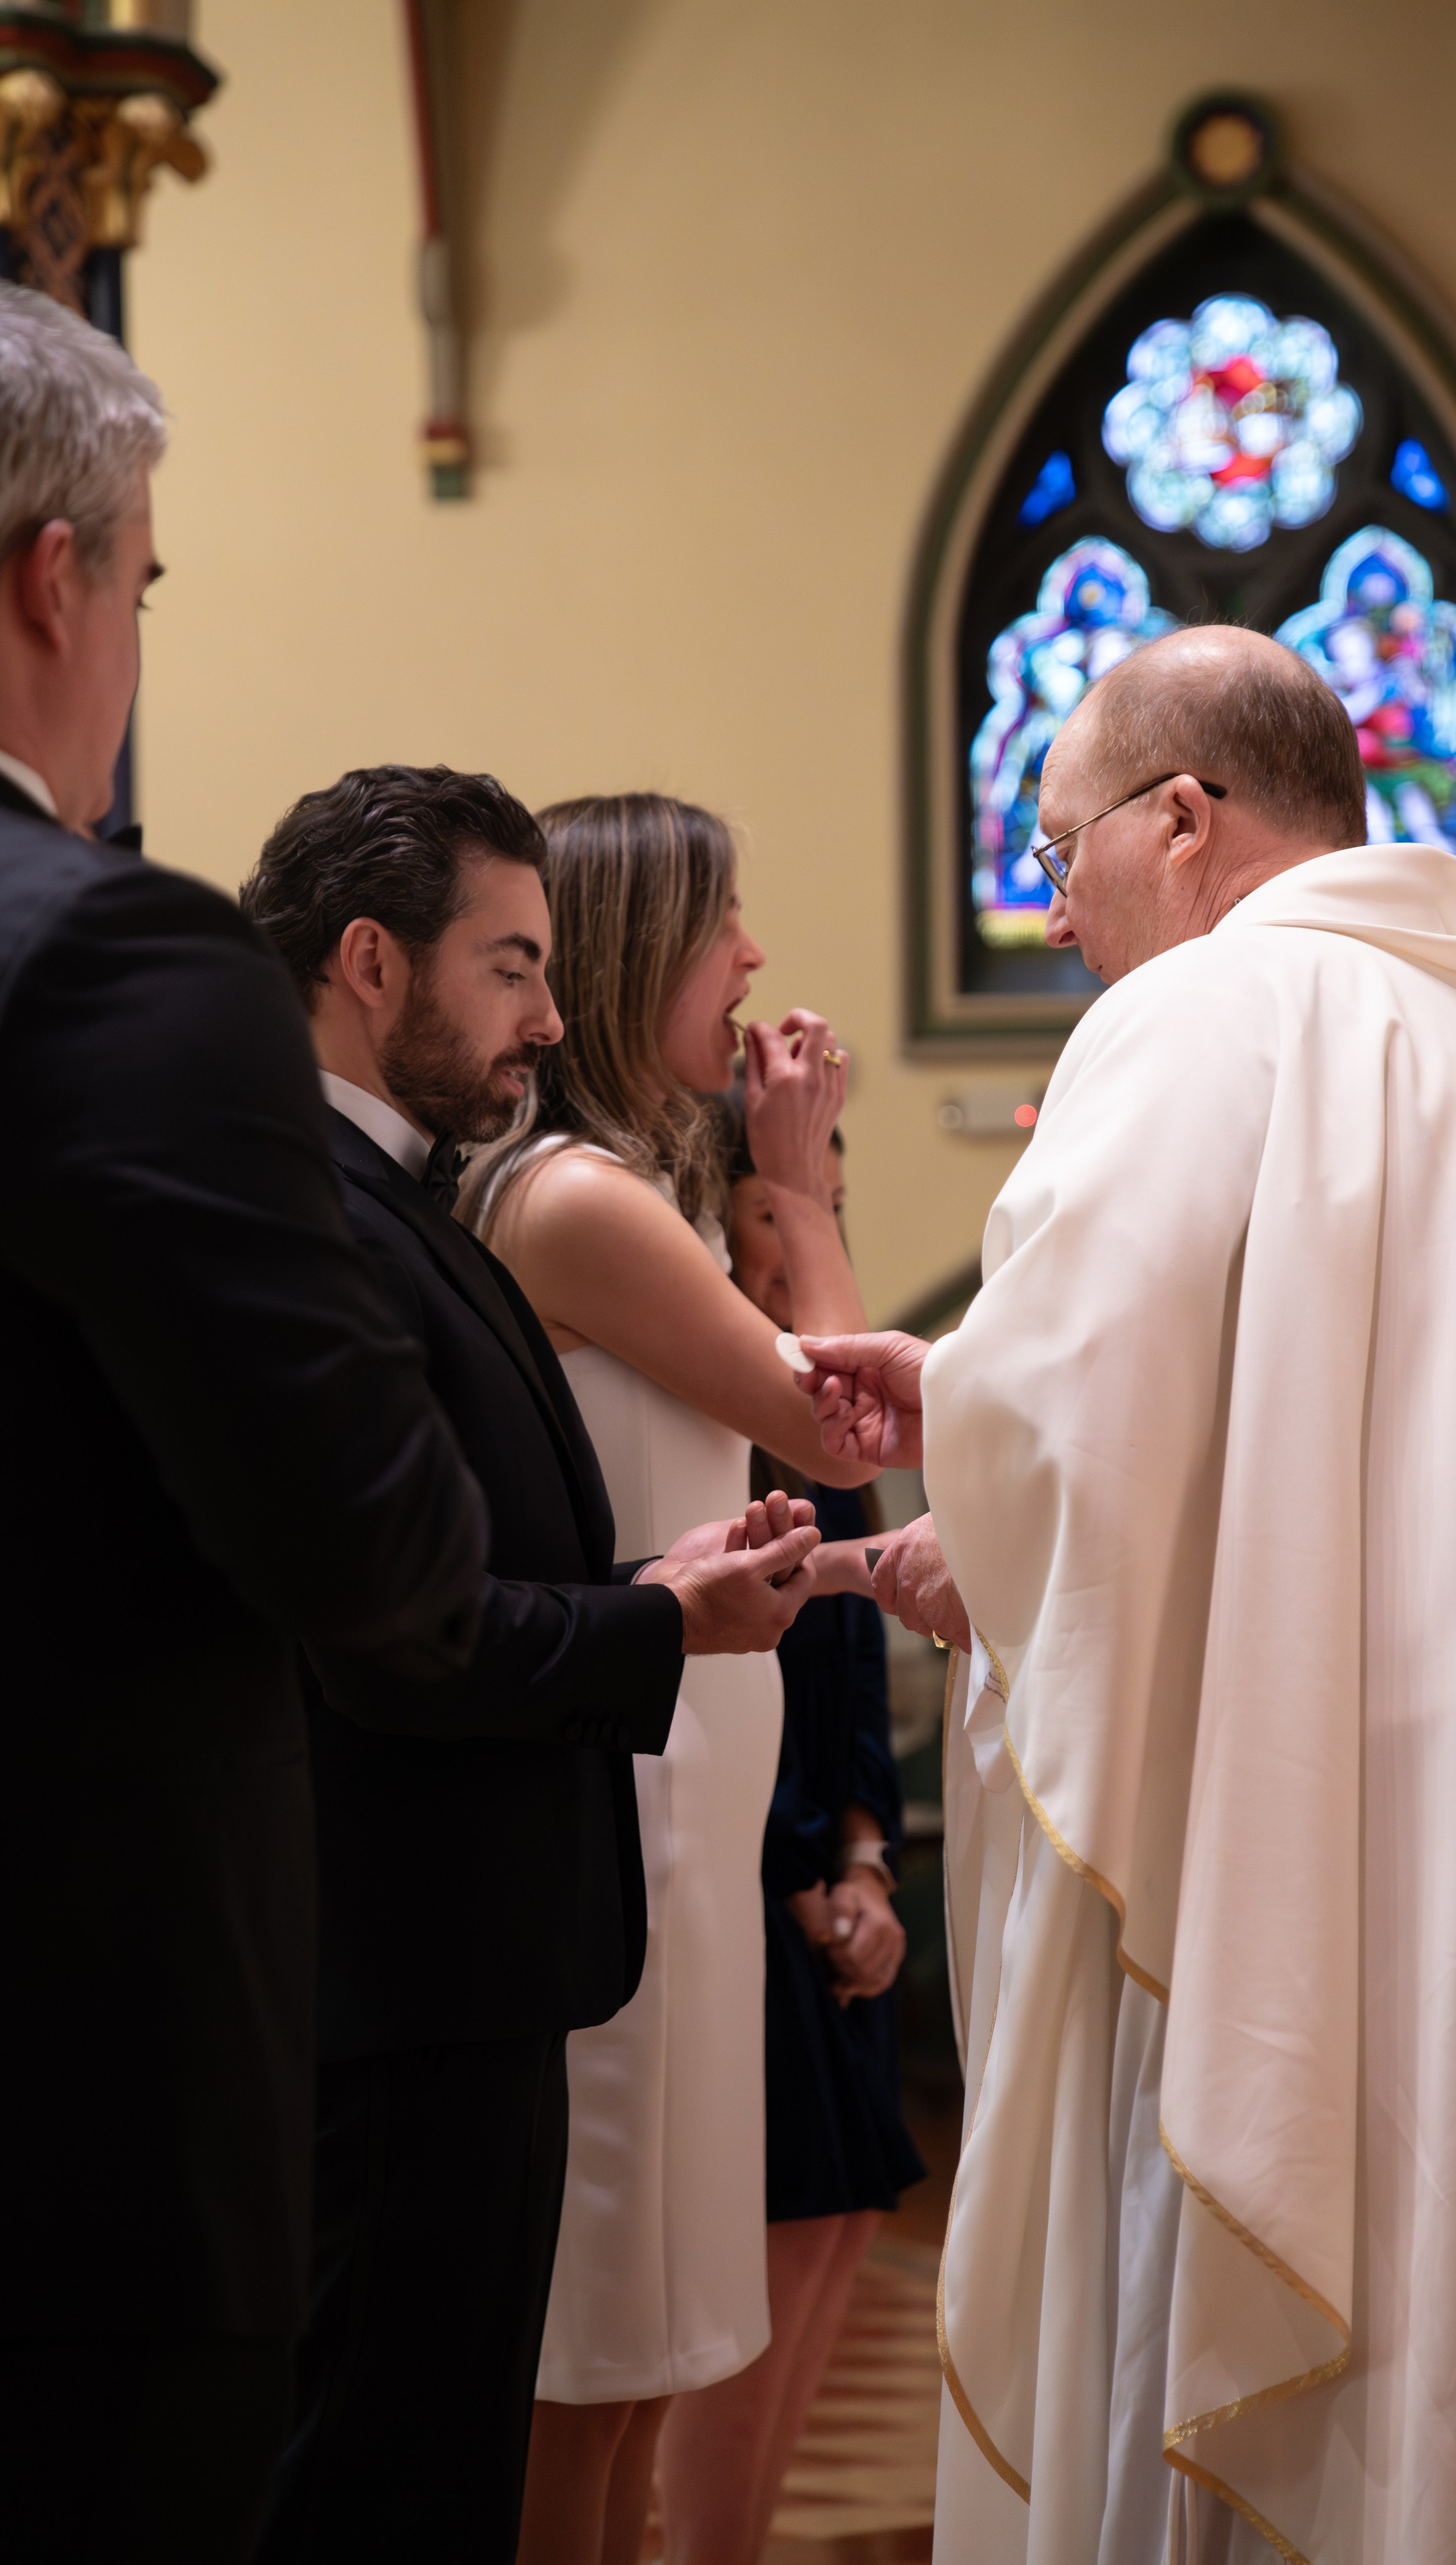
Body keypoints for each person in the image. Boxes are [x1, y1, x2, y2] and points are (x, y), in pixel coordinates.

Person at [798, 627, 1456, 2560]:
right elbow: (1339, 1400)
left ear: (1184, 820)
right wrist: (987, 1407)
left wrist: (985, 1485)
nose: (1055, 911)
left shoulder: (1213, 1004)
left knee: (1298, 2305)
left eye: (1057, 851)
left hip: (1350, 1789)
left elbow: (1088, 1414)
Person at [0, 278, 492, 2564]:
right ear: (56, 576)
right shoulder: (100, 952)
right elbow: (377, 1544)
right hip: (57, 2096)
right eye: (144, 586)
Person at [240, 768, 819, 2565]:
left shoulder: (408, 1191)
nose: (547, 1017)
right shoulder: (331, 1207)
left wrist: (658, 1576)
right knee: (415, 2454)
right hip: (427, 1934)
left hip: (517, 1908)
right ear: (365, 963)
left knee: (493, 2410)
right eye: (507, 966)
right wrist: (660, 1619)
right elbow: (397, 1629)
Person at [458, 791, 876, 2565]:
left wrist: (779, 1203)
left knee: (660, 2335)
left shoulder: (646, 1199)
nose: (758, 959)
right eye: (728, 924)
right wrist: (797, 1178)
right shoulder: (579, 1198)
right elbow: (843, 1418)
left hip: (694, 1778)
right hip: (628, 1798)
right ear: (643, 957)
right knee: (603, 2329)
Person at [650, 1101, 925, 2564]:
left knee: (836, 2226)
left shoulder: (820, 1378)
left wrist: (868, 1860)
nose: (800, 1219)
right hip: (754, 1872)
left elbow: (855, 1660)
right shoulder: (703, 1377)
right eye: (778, 1201)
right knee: (770, 2236)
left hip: (830, 1867)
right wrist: (804, 1876)